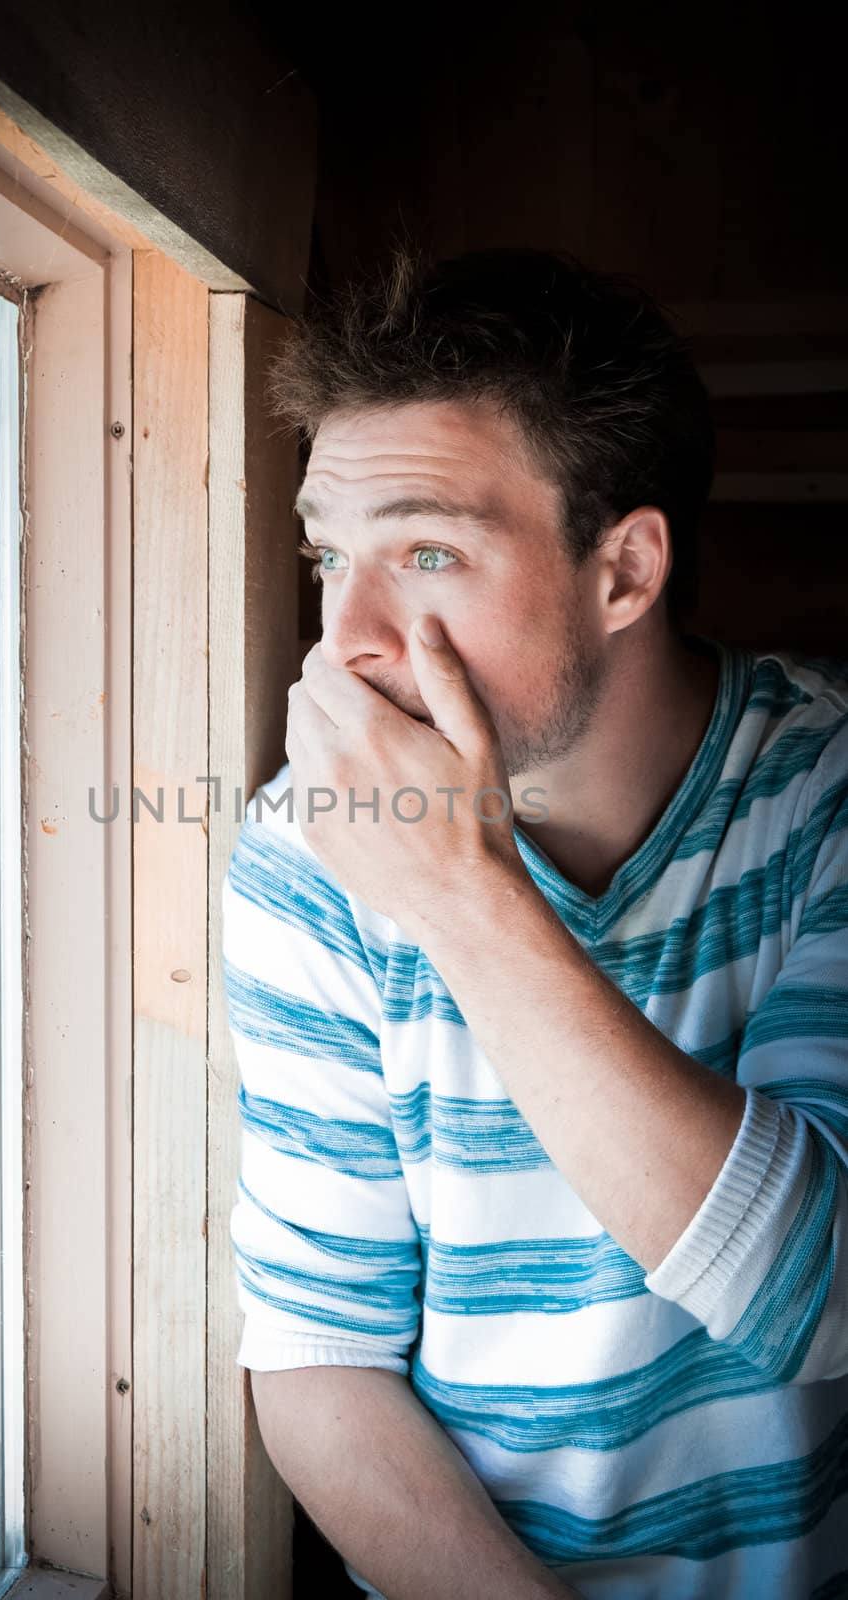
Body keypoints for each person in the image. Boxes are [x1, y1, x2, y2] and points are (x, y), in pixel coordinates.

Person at [220, 244, 848, 1599]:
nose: (351, 642)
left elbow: (825, 1303)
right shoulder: (304, 855)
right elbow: (321, 1363)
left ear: (624, 571)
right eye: (332, 556)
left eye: (429, 551)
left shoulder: (826, 792)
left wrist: (462, 894)